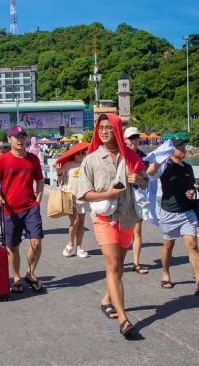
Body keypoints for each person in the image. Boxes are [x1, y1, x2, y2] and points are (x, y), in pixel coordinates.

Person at [77, 114, 148, 339]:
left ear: (117, 130)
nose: (104, 131)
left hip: (126, 216)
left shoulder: (130, 156)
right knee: (113, 264)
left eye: (109, 127)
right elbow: (83, 194)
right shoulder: (91, 159)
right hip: (103, 218)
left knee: (120, 264)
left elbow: (145, 181)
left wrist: (138, 180)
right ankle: (123, 319)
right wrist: (108, 194)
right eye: (101, 128)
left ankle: (106, 299)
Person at [148, 138, 199, 295]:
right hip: (169, 212)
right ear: (171, 150)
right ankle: (165, 273)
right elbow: (150, 173)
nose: (183, 149)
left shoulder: (188, 167)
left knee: (192, 245)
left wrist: (191, 191)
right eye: (179, 146)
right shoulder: (165, 166)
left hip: (187, 212)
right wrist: (159, 159)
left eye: (184, 146)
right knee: (168, 245)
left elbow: (191, 186)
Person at [0, 126, 45, 294]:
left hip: (30, 207)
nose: (20, 140)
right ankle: (16, 278)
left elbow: (40, 180)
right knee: (12, 246)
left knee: (36, 241)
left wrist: (38, 200)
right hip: (10, 209)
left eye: (22, 137)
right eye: (16, 137)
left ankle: (30, 273)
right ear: (9, 139)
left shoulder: (33, 159)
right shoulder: (3, 160)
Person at [55, 142, 90, 259]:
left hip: (84, 197)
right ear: (73, 154)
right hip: (71, 197)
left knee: (82, 223)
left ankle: (79, 247)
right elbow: (61, 181)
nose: (81, 155)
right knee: (75, 221)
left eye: (83, 153)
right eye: (78, 153)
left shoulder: (87, 164)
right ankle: (70, 244)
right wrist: (59, 172)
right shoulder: (67, 165)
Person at [123, 127, 149, 274]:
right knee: (122, 229)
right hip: (121, 196)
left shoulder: (143, 157)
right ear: (125, 140)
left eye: (136, 137)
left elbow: (146, 181)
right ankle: (118, 261)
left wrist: (139, 179)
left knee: (137, 229)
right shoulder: (119, 154)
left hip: (137, 196)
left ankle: (136, 263)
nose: (134, 140)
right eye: (131, 138)